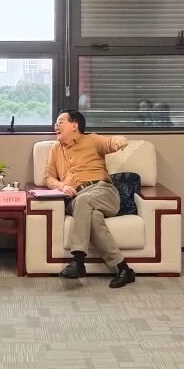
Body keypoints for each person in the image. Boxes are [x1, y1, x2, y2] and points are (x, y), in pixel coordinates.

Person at [44, 109, 135, 289]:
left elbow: (110, 143)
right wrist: (62, 186)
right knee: (92, 217)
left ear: (74, 125)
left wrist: (120, 141)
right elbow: (48, 177)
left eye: (60, 122)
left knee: (84, 202)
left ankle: (78, 261)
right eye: (56, 123)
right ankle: (124, 269)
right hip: (76, 197)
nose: (56, 126)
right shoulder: (55, 149)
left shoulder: (92, 140)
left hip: (103, 191)